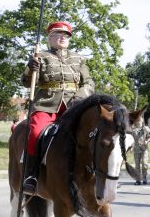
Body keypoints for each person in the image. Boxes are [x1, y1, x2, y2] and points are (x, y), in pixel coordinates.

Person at [21, 21, 95, 195]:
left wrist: (80, 97)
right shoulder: (41, 56)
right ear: (50, 38)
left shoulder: (78, 58)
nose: (63, 37)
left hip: (74, 106)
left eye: (66, 35)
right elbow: (26, 82)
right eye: (59, 34)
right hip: (46, 104)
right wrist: (30, 69)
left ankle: (96, 173)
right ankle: (31, 175)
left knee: (94, 132)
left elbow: (89, 82)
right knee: (36, 132)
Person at [131, 117, 150, 185]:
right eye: (137, 120)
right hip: (136, 149)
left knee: (144, 164)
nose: (138, 122)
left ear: (142, 121)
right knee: (137, 165)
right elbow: (131, 139)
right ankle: (138, 179)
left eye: (140, 120)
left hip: (144, 149)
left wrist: (146, 141)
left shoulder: (146, 129)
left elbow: (149, 137)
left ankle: (144, 177)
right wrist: (131, 147)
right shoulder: (133, 130)